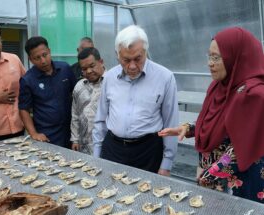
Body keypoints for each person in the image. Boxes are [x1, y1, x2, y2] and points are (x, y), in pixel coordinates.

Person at [159, 27, 264, 203]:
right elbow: (219, 124)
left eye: (217, 57)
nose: (210, 63)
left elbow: (242, 146)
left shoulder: (254, 95)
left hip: (241, 187)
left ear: (237, 57)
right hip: (211, 180)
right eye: (209, 56)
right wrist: (189, 128)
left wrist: (209, 174)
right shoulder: (219, 87)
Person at [92, 25, 178, 176]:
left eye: (138, 59)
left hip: (148, 151)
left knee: (148, 195)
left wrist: (166, 164)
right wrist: (96, 155)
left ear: (146, 52)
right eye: (126, 60)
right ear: (117, 55)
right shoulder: (109, 77)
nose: (132, 66)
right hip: (113, 149)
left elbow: (170, 123)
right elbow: (101, 119)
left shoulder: (165, 77)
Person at [19, 36, 76, 148]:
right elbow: (23, 109)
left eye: (45, 55)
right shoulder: (27, 80)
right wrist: (34, 133)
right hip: (48, 134)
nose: (43, 61)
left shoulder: (65, 69)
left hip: (71, 131)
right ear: (30, 59)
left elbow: (76, 94)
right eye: (37, 58)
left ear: (49, 51)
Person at [71, 47, 105, 155]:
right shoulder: (79, 86)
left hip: (106, 145)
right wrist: (75, 139)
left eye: (92, 66)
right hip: (83, 146)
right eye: (84, 69)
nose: (89, 71)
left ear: (101, 62)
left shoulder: (112, 83)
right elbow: (75, 115)